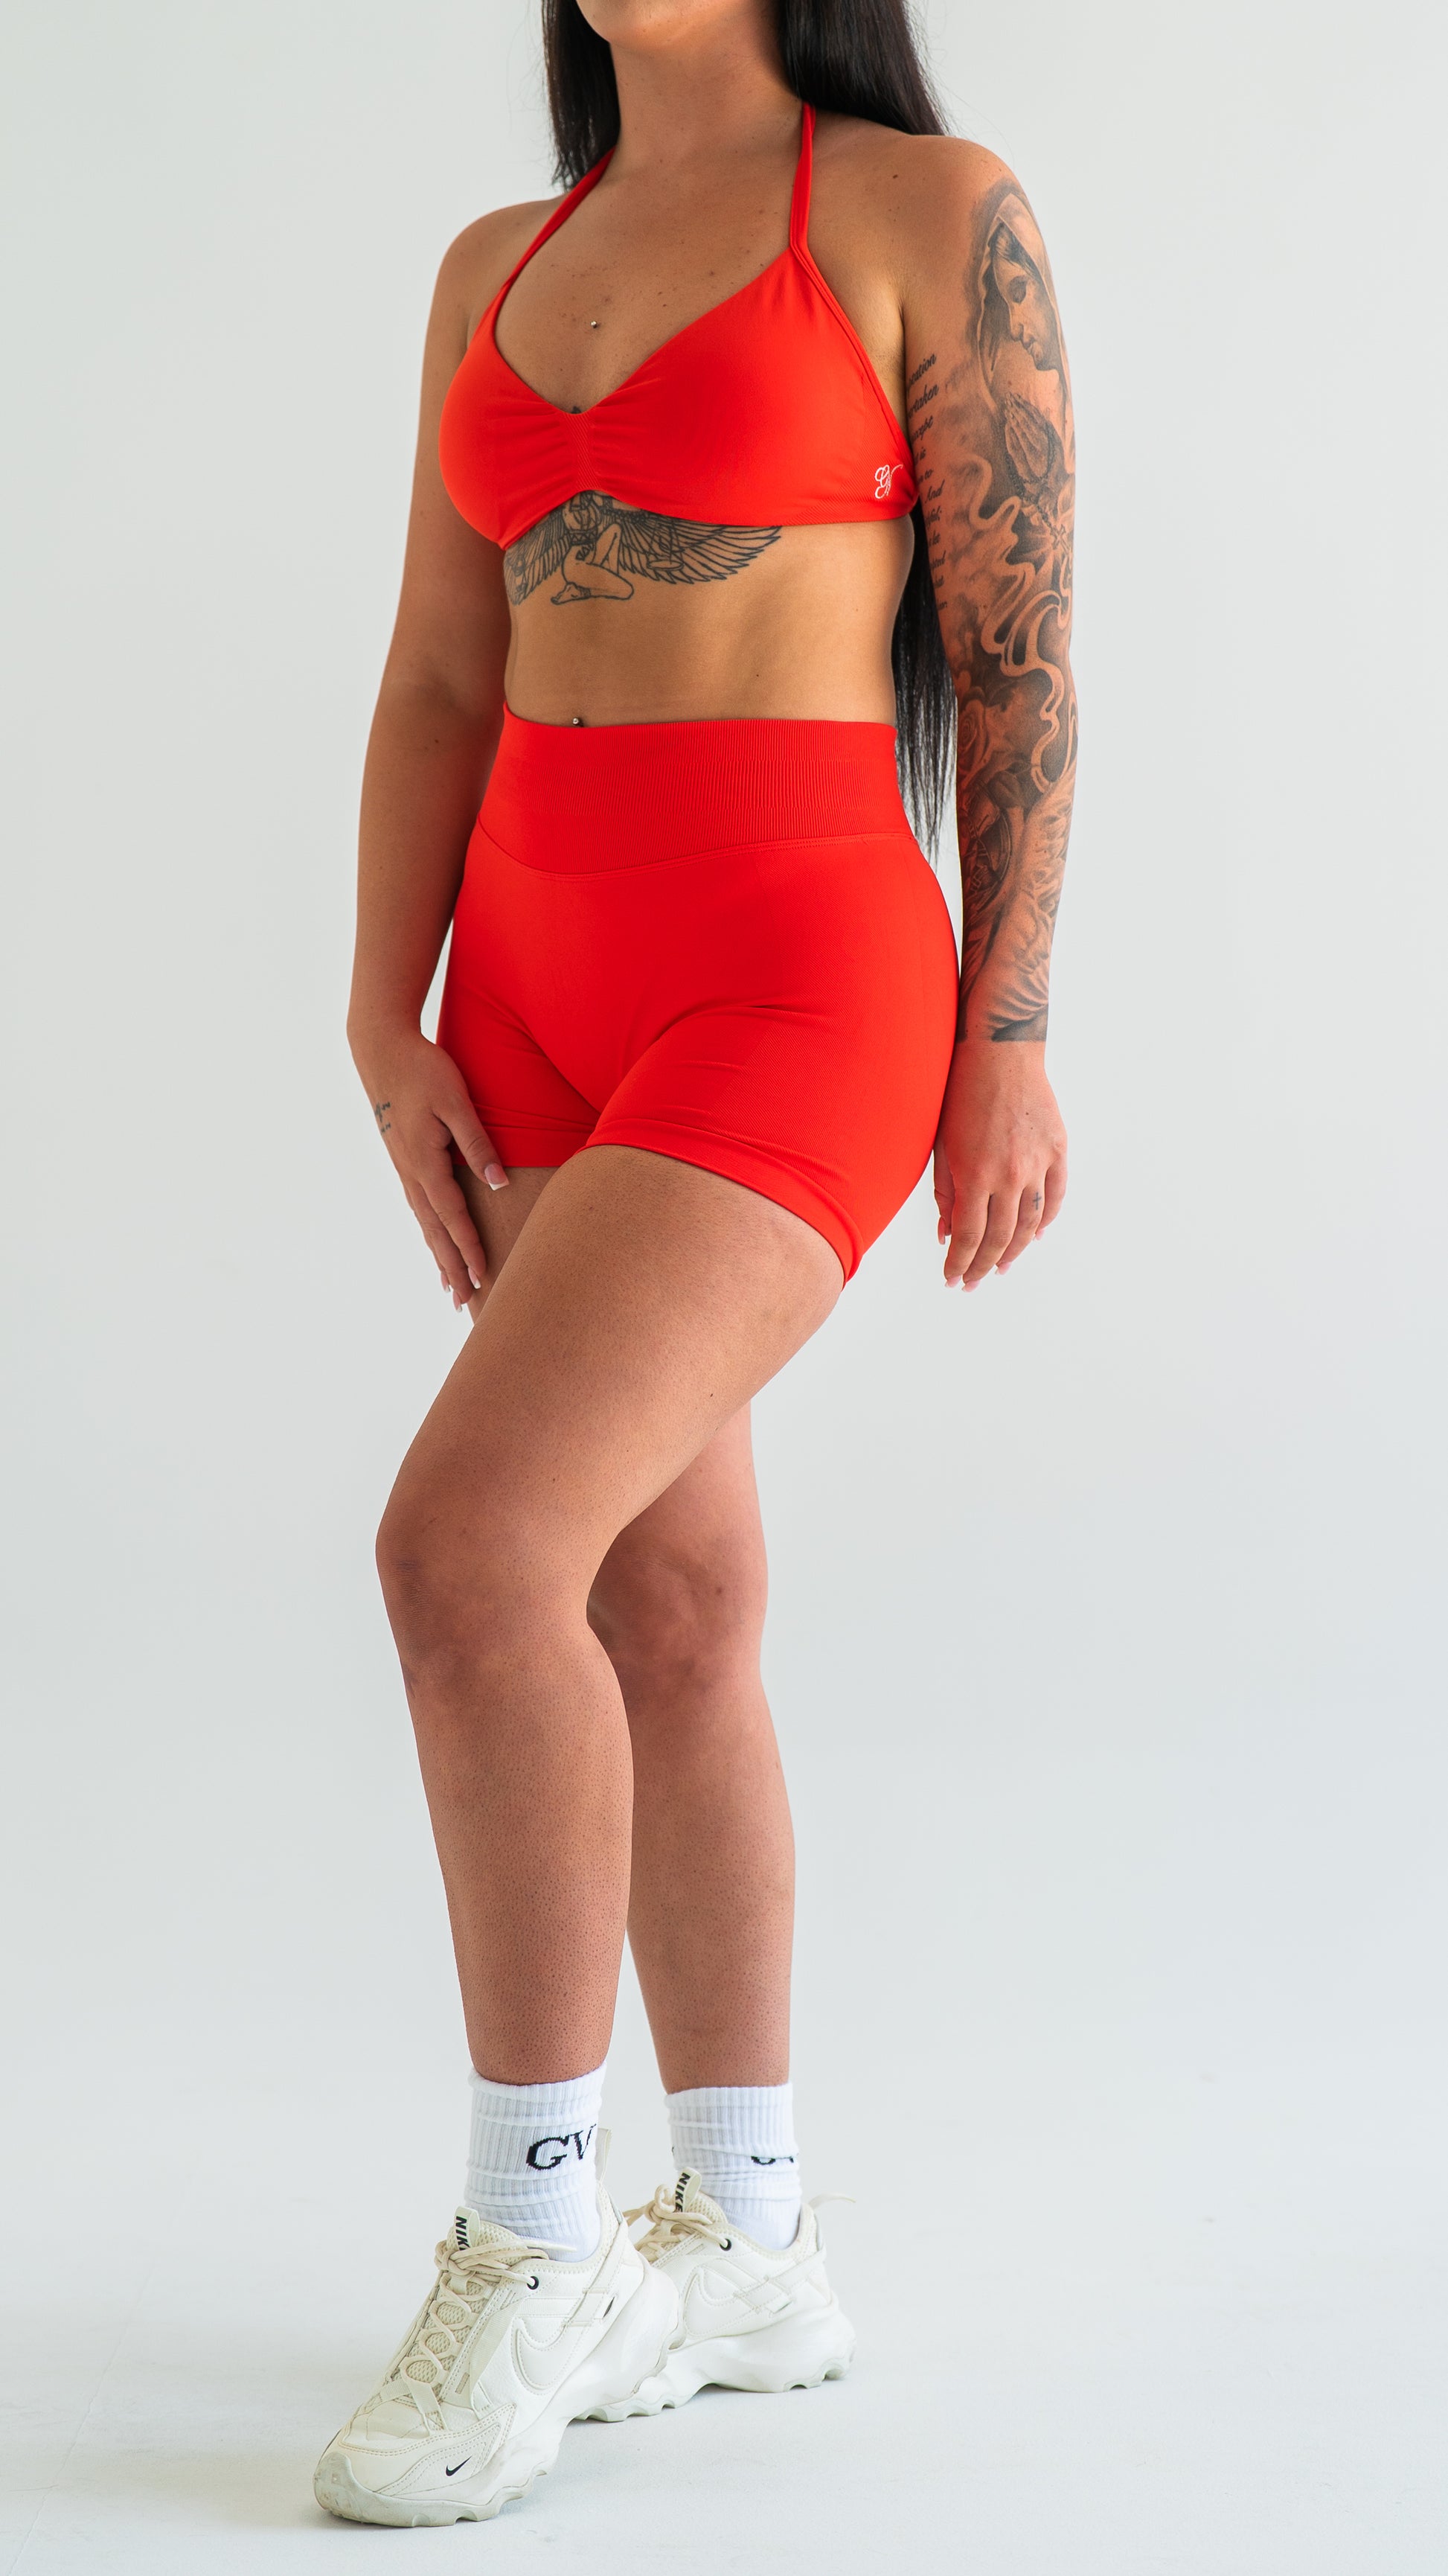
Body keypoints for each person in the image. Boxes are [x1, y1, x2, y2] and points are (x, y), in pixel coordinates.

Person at [315, 0, 1073, 2529]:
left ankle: (531, 2243)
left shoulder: (920, 208)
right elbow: (442, 665)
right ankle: (743, 2238)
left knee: (469, 1553)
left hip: (794, 972)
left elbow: (1016, 662)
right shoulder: (491, 263)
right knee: (660, 1604)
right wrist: (383, 1013)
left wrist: (1007, 1032)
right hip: (528, 977)